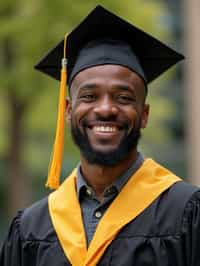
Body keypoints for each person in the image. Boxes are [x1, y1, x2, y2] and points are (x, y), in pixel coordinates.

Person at [1, 5, 200, 266]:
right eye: (89, 96)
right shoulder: (30, 228)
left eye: (124, 97)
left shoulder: (186, 212)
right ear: (69, 110)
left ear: (144, 114)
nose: (106, 108)